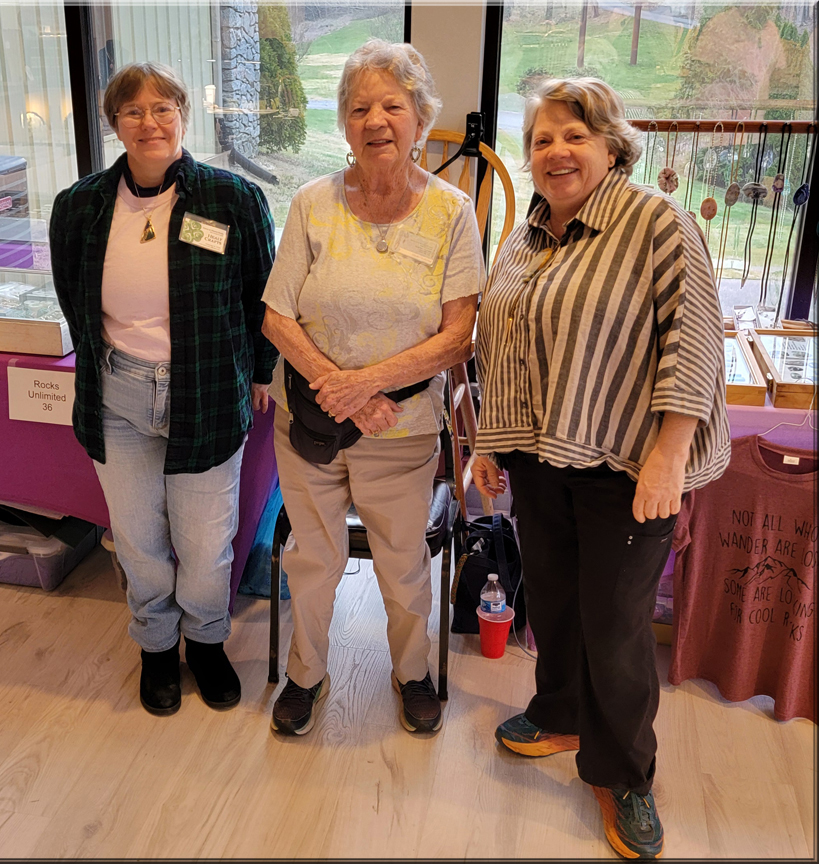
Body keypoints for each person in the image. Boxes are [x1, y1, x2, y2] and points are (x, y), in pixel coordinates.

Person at [471, 78, 730, 859]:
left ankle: (624, 775)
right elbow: (500, 344)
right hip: (540, 457)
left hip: (627, 463)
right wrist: (488, 443)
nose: (556, 151)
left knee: (615, 628)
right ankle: (559, 715)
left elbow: (694, 343)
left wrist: (667, 458)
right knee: (552, 605)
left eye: (574, 135)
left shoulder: (656, 222)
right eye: (541, 139)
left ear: (611, 146)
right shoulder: (527, 235)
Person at [261, 39, 484, 736]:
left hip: (401, 427)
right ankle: (306, 675)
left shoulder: (451, 212)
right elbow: (276, 316)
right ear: (344, 123)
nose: (375, 121)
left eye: (392, 105)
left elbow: (459, 336)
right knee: (313, 559)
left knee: (403, 562)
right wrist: (342, 388)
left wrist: (367, 386)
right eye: (359, 108)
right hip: (310, 419)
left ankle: (411, 673)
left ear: (420, 118)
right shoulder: (311, 203)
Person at [49, 62, 277, 717]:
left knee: (206, 541)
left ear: (182, 115)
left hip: (207, 391)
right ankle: (155, 647)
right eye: (133, 111)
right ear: (114, 123)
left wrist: (261, 371)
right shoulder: (79, 206)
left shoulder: (231, 199)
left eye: (162, 108)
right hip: (117, 395)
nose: (149, 122)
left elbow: (261, 294)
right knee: (138, 539)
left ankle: (205, 642)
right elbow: (73, 297)